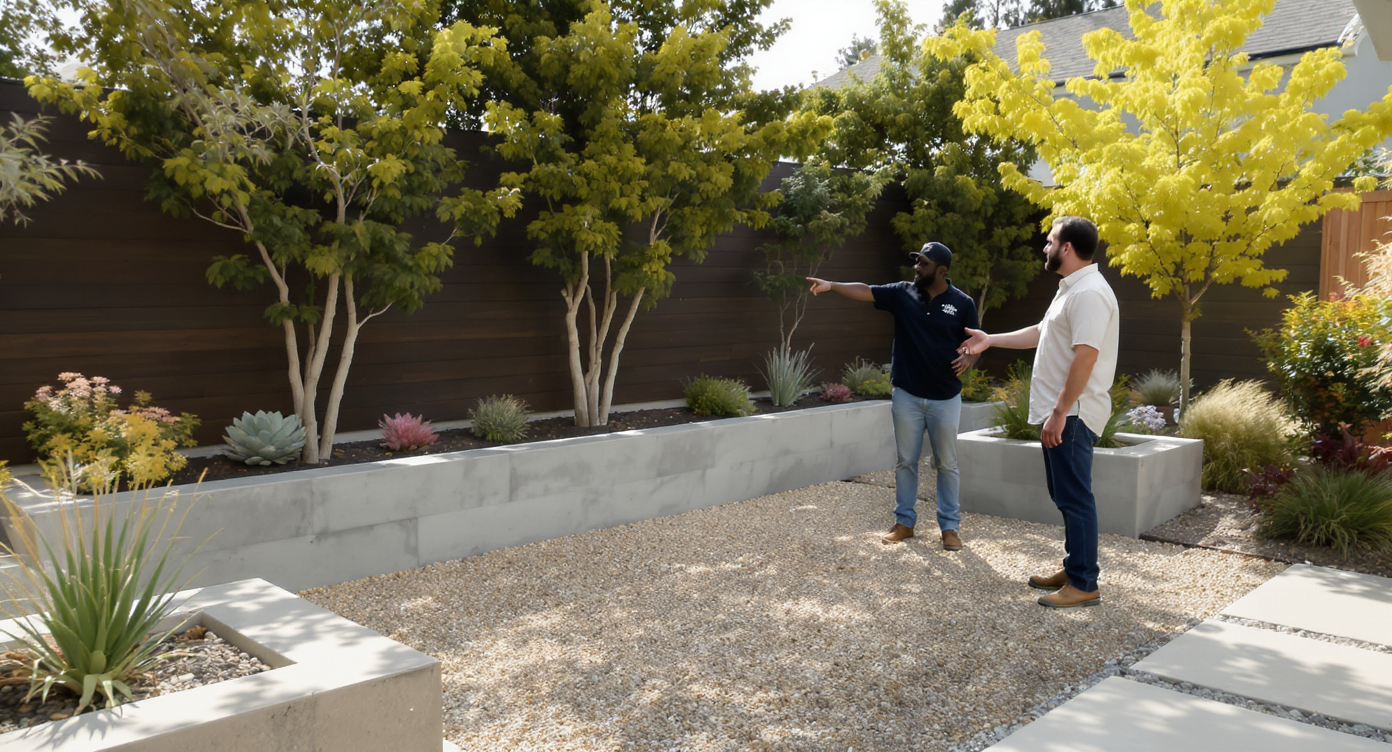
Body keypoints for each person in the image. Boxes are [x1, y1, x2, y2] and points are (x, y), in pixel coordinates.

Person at [958, 216, 1118, 609]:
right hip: (1066, 413)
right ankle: (1076, 565)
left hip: (1074, 415)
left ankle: (1084, 583)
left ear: (1066, 248)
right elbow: (1041, 332)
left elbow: (1086, 357)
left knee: (1075, 497)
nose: (1044, 248)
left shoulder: (1089, 294)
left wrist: (1061, 411)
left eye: (1049, 242)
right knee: (1065, 494)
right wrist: (989, 340)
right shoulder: (1071, 290)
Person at [806, 241, 978, 551]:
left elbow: (974, 342)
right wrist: (831, 285)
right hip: (907, 395)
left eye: (923, 263)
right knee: (905, 462)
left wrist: (969, 356)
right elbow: (866, 290)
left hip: (945, 398)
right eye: (916, 261)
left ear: (941, 270)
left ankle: (950, 528)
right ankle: (904, 522)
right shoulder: (902, 293)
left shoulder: (962, 303)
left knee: (947, 464)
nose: (916, 267)